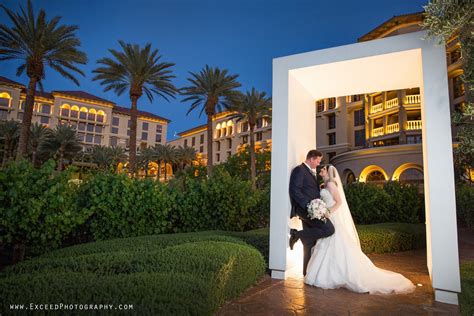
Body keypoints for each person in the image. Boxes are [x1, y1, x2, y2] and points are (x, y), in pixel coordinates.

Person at [304, 165, 416, 294]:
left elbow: (339, 202)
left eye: (323, 170)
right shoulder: (324, 184)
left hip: (332, 217)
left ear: (328, 171)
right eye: (321, 170)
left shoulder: (331, 184)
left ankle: (335, 274)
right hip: (326, 217)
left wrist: (328, 212)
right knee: (327, 242)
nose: (321, 172)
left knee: (335, 242)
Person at [289, 150, 335, 276]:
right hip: (306, 210)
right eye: (318, 161)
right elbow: (295, 191)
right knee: (329, 229)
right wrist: (309, 206)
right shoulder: (299, 170)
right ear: (311, 159)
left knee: (309, 243)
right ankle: (296, 234)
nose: (319, 163)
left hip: (313, 209)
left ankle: (306, 273)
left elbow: (311, 191)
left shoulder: (311, 172)